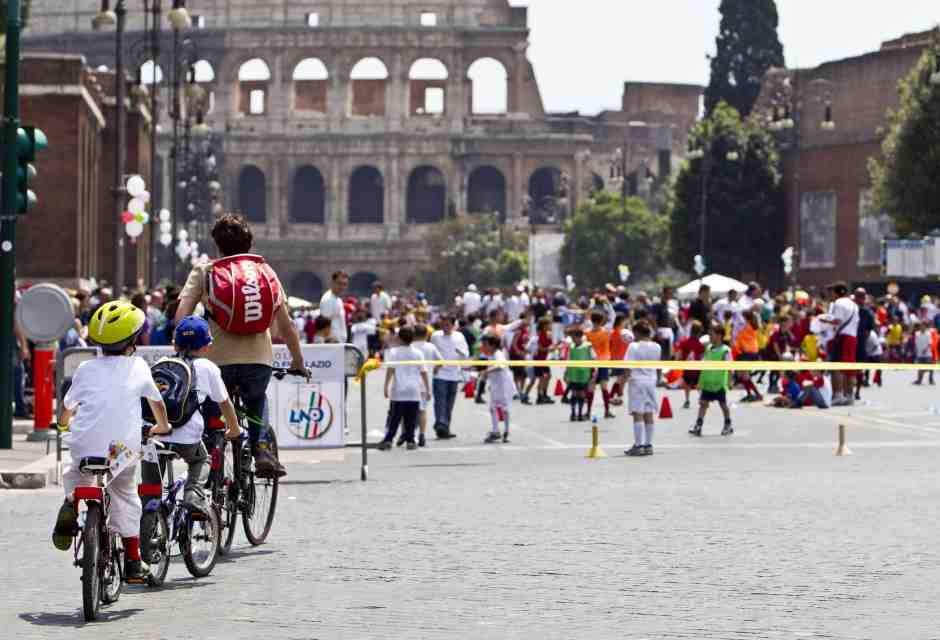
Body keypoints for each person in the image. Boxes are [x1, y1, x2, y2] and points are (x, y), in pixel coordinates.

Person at [176, 214, 306, 478]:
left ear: (218, 245)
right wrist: (298, 361)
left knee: (214, 410)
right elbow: (286, 325)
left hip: (215, 360)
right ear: (250, 244)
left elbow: (182, 317)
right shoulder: (265, 271)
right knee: (256, 398)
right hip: (258, 359)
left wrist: (183, 351)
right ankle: (261, 448)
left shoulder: (205, 271)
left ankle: (212, 459)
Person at [52, 301, 171, 582]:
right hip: (121, 449)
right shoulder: (139, 366)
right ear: (132, 341)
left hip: (84, 444)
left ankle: (71, 501)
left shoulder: (85, 368)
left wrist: (61, 424)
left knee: (76, 473)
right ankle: (132, 560)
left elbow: (67, 407)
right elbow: (157, 403)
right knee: (125, 493)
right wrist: (162, 426)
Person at [142, 316, 241, 516]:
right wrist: (234, 428)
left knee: (151, 484)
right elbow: (224, 403)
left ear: (174, 344)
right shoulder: (209, 368)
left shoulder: (162, 362)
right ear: (207, 346)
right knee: (202, 460)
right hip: (188, 437)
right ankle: (193, 493)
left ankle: (149, 507)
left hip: (155, 435)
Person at [379, 326, 430, 451]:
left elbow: (390, 370)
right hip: (414, 390)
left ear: (399, 338)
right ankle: (410, 440)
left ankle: (389, 439)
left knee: (395, 417)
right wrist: (428, 389)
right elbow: (424, 372)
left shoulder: (394, 352)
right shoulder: (418, 353)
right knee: (411, 418)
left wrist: (386, 386)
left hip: (399, 390)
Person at [624, 320, 662, 456]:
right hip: (651, 380)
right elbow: (658, 365)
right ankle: (648, 444)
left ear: (638, 332)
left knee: (638, 413)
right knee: (649, 412)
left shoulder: (633, 346)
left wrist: (621, 384)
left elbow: (628, 367)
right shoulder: (657, 346)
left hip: (637, 381)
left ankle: (638, 445)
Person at [690, 323, 734, 437]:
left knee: (723, 405)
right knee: (703, 404)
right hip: (707, 383)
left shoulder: (725, 350)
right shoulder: (708, 348)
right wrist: (700, 382)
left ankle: (728, 424)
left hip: (719, 384)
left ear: (719, 335)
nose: (710, 337)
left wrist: (730, 381)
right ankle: (698, 425)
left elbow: (730, 367)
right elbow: (704, 365)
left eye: (712, 334)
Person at [430, 315, 468, 440]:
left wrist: (461, 353)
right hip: (440, 374)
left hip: (454, 374)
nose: (445, 327)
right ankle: (441, 425)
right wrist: (433, 366)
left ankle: (445, 427)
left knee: (449, 403)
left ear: (453, 325)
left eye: (447, 325)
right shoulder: (435, 336)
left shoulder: (459, 336)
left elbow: (466, 353)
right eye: (443, 324)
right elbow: (431, 352)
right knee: (440, 401)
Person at [822, 282, 859, 406]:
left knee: (836, 367)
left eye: (831, 292)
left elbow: (837, 321)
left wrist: (825, 319)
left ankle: (837, 394)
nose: (830, 295)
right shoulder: (854, 304)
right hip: (852, 337)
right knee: (849, 368)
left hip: (843, 337)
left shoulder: (838, 303)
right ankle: (850, 396)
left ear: (835, 292)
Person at [479, 335, 514, 443]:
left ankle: (507, 432)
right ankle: (495, 431)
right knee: (492, 407)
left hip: (504, 385)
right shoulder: (491, 355)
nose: (483, 347)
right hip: (496, 385)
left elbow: (500, 366)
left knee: (505, 409)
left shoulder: (499, 354)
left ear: (493, 345)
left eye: (485, 344)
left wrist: (486, 372)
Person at [412, 324, 443, 447]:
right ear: (426, 335)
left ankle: (408, 434)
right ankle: (422, 434)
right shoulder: (431, 347)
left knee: (408, 410)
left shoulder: (410, 346)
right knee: (422, 410)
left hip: (411, 381)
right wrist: (435, 369)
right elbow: (441, 361)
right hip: (426, 382)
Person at [585, 311, 615, 418]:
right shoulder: (606, 332)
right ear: (602, 321)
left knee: (591, 387)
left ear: (591, 320)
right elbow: (613, 316)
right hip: (603, 362)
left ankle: (588, 412)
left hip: (592, 362)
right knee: (604, 387)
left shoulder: (587, 333)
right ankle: (607, 411)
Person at [564, 328, 594, 422]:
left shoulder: (588, 346)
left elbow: (593, 358)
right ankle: (573, 413)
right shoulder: (571, 347)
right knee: (574, 393)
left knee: (581, 393)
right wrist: (566, 373)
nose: (573, 340)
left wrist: (593, 372)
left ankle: (580, 413)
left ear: (580, 337)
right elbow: (568, 360)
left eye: (574, 337)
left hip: (583, 374)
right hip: (573, 374)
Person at [734, 311, 763, 403]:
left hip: (746, 353)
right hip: (752, 352)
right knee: (744, 375)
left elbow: (738, 337)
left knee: (744, 375)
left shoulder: (745, 327)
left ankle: (754, 394)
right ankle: (754, 394)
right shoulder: (752, 326)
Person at [676, 320, 705, 409]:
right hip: (697, 368)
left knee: (687, 384)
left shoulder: (684, 342)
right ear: (700, 332)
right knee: (699, 384)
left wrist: (679, 361)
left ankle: (687, 400)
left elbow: (679, 354)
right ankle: (702, 399)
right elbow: (701, 356)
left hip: (687, 367)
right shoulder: (700, 344)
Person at [320, 271, 350, 344]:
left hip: (340, 342)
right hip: (332, 344)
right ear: (332, 282)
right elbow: (324, 325)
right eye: (339, 283)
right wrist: (330, 340)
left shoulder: (338, 300)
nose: (342, 287)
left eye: (344, 284)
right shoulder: (327, 299)